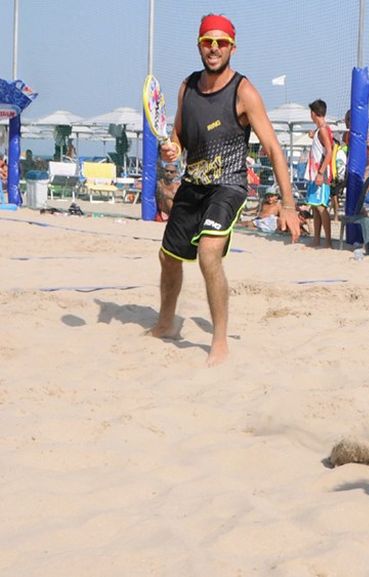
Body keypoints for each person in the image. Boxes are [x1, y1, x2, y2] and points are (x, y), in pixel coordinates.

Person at [148, 13, 301, 367]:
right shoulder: (187, 86)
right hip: (193, 184)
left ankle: (219, 341)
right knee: (167, 257)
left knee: (208, 254)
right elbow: (178, 139)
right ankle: (167, 323)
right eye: (207, 41)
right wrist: (170, 148)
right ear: (199, 45)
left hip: (228, 186)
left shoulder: (243, 91)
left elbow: (274, 150)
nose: (214, 48)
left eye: (221, 42)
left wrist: (289, 204)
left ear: (232, 47)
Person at [305, 99, 334, 248]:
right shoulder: (320, 130)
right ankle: (317, 238)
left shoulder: (323, 129)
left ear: (314, 113)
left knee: (322, 207)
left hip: (320, 173)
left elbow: (329, 151)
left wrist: (321, 173)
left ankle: (328, 241)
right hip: (315, 173)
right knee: (315, 207)